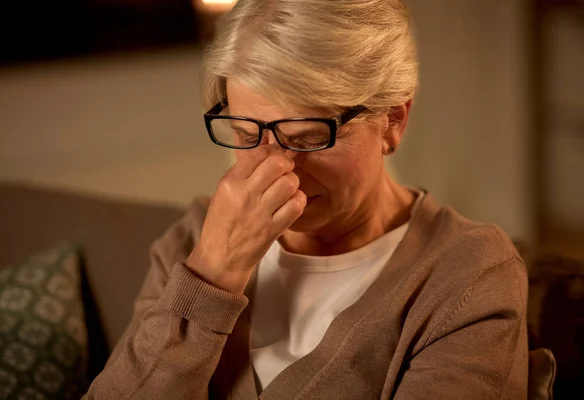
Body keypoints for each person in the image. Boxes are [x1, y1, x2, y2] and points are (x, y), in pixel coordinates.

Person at [85, 0, 528, 398]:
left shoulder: (468, 276)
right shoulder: (193, 241)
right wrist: (212, 274)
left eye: (311, 138)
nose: (276, 167)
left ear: (393, 120)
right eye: (246, 133)